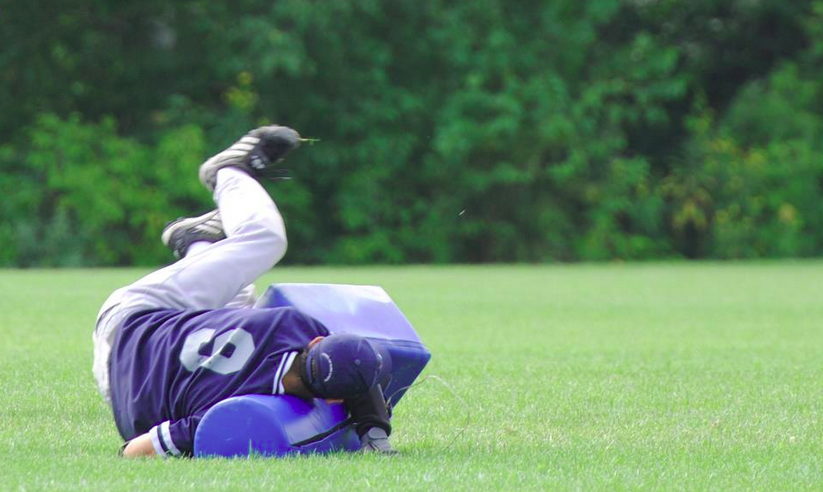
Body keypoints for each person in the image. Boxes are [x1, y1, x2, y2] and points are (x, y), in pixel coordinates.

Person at [92, 125, 395, 457]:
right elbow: (133, 449)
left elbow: (130, 454)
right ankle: (199, 237)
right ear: (334, 399)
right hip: (126, 388)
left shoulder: (293, 325)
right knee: (240, 295)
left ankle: (228, 174)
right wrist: (373, 434)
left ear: (317, 342)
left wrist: (375, 428)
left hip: (138, 320)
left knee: (265, 241)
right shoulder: (232, 408)